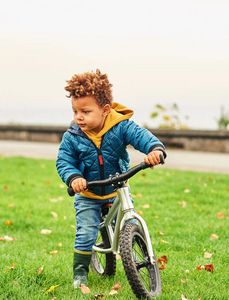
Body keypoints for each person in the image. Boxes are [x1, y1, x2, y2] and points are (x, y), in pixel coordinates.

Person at [56, 69, 166, 288]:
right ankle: (80, 274)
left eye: (85, 111)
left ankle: (135, 260)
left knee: (130, 222)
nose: (79, 117)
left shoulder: (121, 126)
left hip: (117, 188)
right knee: (86, 232)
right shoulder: (72, 136)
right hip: (88, 192)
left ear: (105, 110)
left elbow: (140, 136)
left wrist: (154, 150)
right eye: (75, 111)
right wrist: (74, 177)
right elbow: (64, 161)